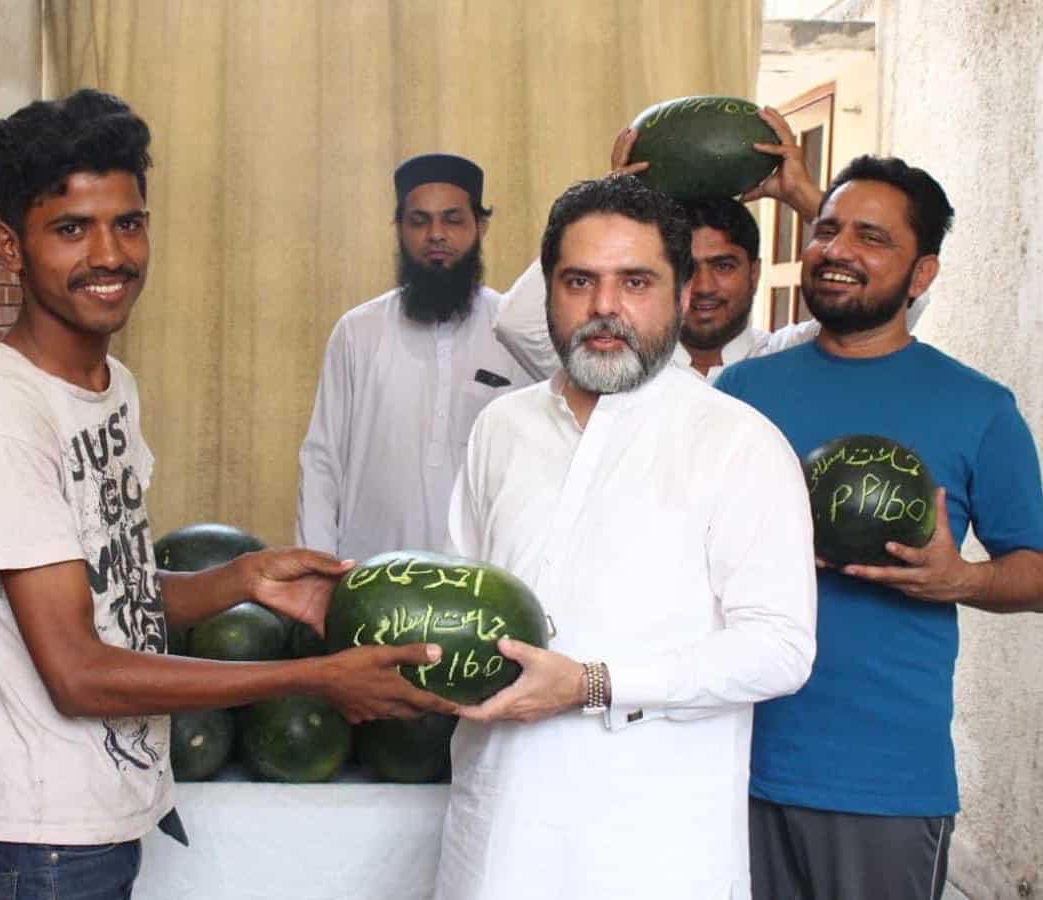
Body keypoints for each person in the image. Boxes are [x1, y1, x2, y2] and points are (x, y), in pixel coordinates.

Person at [0, 89, 454, 900]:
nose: (110, 255)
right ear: (9, 246)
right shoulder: (3, 417)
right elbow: (78, 673)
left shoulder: (109, 386)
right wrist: (312, 678)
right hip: (36, 844)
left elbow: (117, 598)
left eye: (127, 222)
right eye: (72, 229)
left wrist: (245, 581)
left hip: (97, 818)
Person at [434, 174, 817, 899]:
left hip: (653, 852)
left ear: (678, 296)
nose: (604, 307)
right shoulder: (501, 429)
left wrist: (592, 684)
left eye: (635, 281)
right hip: (493, 844)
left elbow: (780, 649)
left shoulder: (738, 443)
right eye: (579, 280)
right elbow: (467, 607)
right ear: (548, 294)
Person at [714, 155, 1043, 899]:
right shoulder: (739, 392)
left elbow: (1036, 567)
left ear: (921, 275)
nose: (837, 251)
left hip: (883, 783)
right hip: (726, 760)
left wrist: (963, 579)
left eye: (872, 237)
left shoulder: (979, 407)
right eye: (826, 229)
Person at [492, 109, 930, 383]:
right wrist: (613, 204)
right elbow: (517, 323)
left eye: (723, 265)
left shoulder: (788, 357)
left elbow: (901, 300)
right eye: (690, 268)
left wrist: (806, 198)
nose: (704, 286)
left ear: (754, 272)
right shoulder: (625, 361)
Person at [295, 154, 530, 563]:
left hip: (481, 584)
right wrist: (318, 573)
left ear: (481, 227)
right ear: (399, 229)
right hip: (368, 580)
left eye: (453, 220)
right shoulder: (358, 331)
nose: (435, 235)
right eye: (419, 221)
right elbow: (321, 462)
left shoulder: (515, 333)